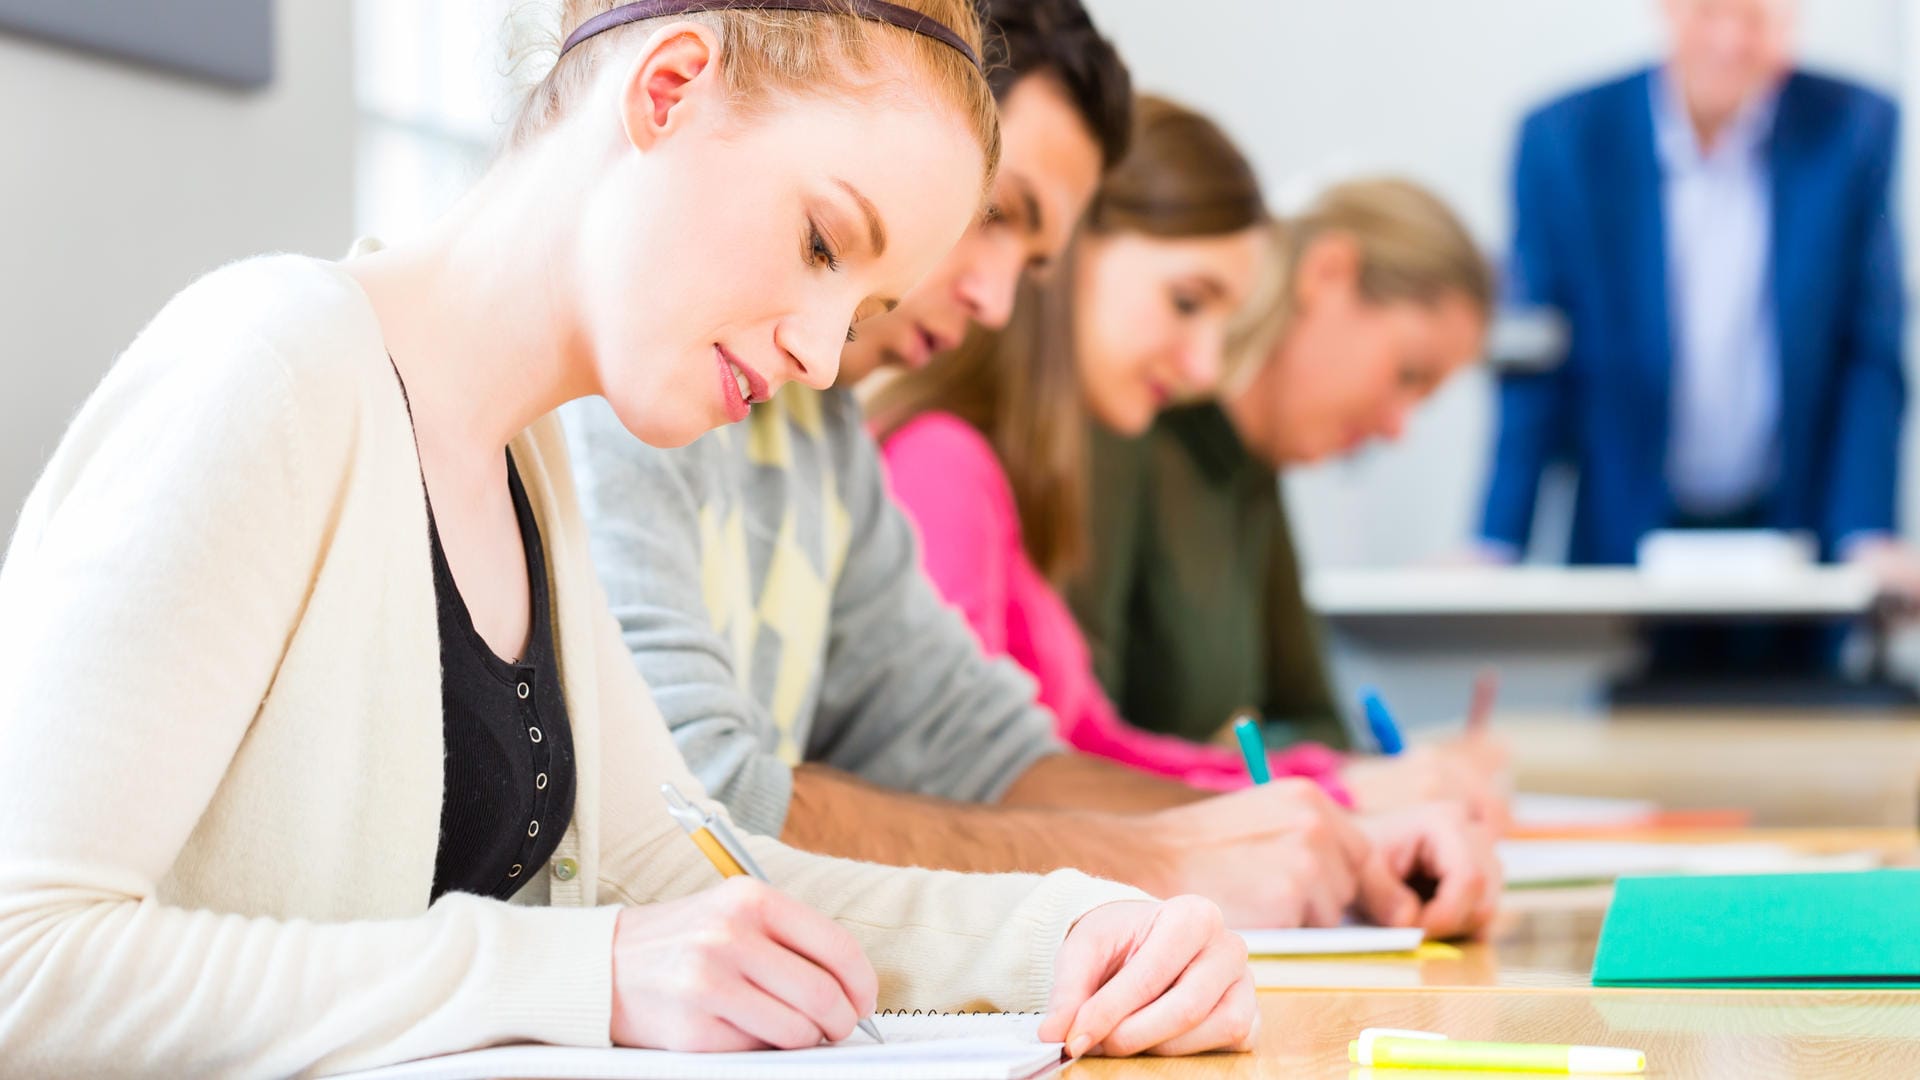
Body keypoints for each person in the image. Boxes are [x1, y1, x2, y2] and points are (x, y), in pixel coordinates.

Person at [0, 3, 1258, 1074]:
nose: (825, 356)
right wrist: (577, 975)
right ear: (670, 88)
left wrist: (1079, 931)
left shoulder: (525, 464)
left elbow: (686, 876)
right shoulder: (272, 364)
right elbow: (23, 960)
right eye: (821, 242)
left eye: (863, 304)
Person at [569, 0, 1491, 934]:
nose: (1000, 299)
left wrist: (1319, 838)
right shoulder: (640, 377)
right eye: (995, 213)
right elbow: (690, 810)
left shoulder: (821, 425)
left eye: (1034, 254)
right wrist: (1163, 860)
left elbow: (983, 753)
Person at [1478, 0, 1919, 673]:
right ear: (1667, 11)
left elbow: (1868, 349)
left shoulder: (1853, 128)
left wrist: (1866, 532)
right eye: (1711, 11)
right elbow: (1539, 358)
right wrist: (1495, 540)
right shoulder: (1566, 138)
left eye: (1760, 19)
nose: (1731, 41)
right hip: (1627, 527)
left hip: (1794, 522)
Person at [1058, 176, 1508, 821]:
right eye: (1408, 374)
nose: (1397, 428)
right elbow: (1074, 746)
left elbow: (1318, 721)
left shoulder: (1252, 472)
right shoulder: (1127, 429)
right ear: (1328, 273)